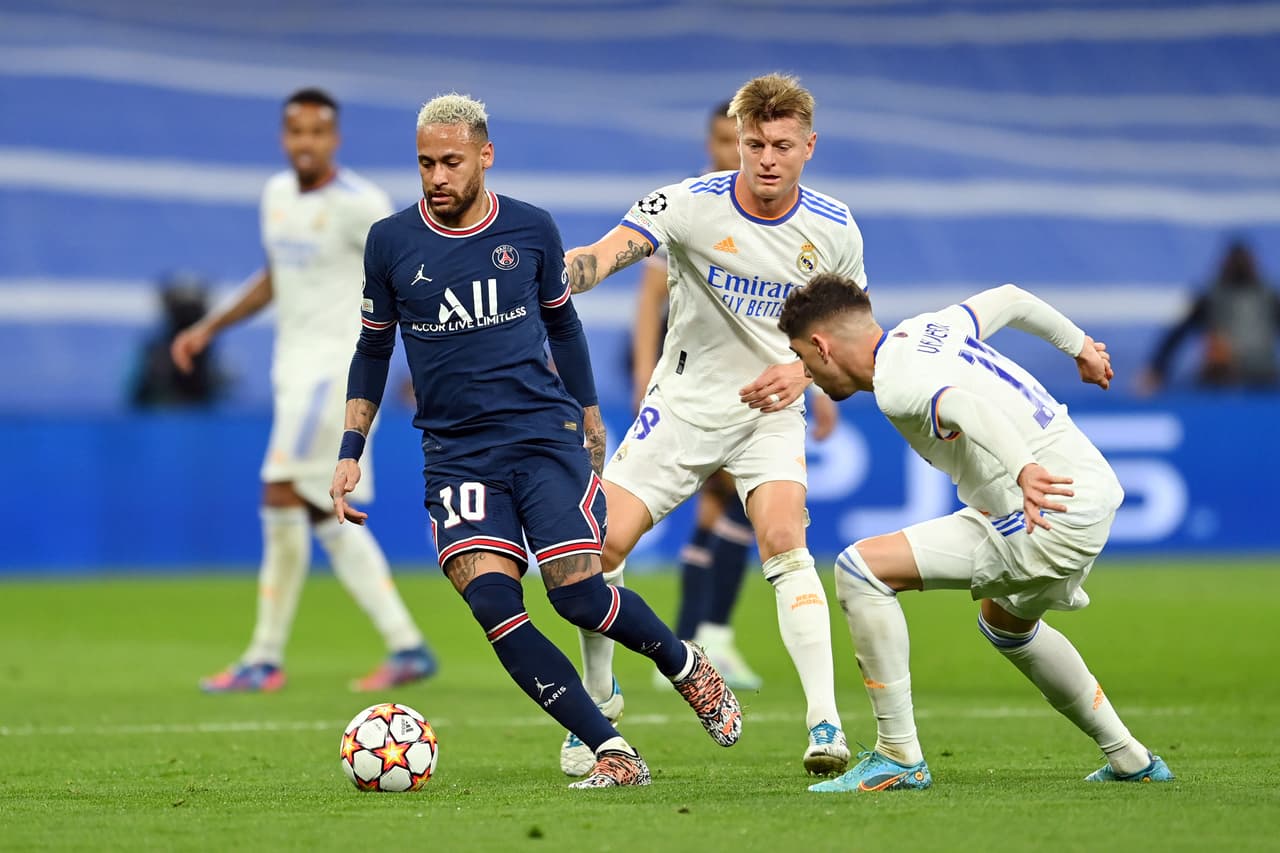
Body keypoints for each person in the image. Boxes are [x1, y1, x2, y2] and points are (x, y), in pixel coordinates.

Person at [329, 93, 741, 790]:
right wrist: (350, 447)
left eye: (452, 162)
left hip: (541, 436)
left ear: (484, 156)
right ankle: (612, 749)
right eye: (426, 162)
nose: (437, 176)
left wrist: (588, 413)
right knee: (493, 603)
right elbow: (373, 349)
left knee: (577, 597)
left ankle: (682, 662)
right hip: (455, 453)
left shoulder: (530, 229)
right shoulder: (390, 242)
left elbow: (564, 326)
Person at [563, 73, 861, 778]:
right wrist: (565, 273)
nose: (764, 158)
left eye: (781, 145)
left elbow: (851, 339)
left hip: (769, 412)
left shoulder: (835, 228)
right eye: (753, 142)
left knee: (786, 541)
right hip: (685, 405)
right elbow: (609, 253)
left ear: (809, 146)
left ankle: (826, 721)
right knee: (596, 548)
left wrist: (806, 373)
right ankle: (599, 707)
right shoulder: (689, 204)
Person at [776, 275, 1175, 792]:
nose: (805, 373)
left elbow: (968, 408)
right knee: (1006, 626)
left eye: (802, 358)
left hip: (1045, 506)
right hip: (1090, 489)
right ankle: (1130, 758)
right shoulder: (930, 329)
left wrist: (1024, 469)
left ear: (821, 346)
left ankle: (898, 756)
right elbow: (1010, 298)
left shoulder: (897, 385)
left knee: (860, 570)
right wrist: (1080, 347)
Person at [171, 87, 436, 693]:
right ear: (284, 137)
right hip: (292, 372)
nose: (306, 143)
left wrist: (419, 365)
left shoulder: (361, 203)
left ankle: (264, 657)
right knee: (325, 513)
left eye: (318, 132)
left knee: (280, 493)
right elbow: (275, 277)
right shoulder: (276, 196)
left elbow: (410, 275)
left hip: (334, 372)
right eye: (296, 132)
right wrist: (210, 327)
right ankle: (408, 646)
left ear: (334, 139)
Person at [628, 100, 840, 698]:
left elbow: (822, 316)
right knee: (730, 505)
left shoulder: (813, 225)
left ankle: (698, 636)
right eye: (732, 142)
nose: (743, 154)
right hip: (694, 371)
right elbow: (649, 296)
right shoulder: (695, 204)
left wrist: (818, 385)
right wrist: (646, 372)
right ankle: (701, 636)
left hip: (764, 373)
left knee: (724, 512)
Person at [1137, 239, 1280, 394]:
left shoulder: (1269, 297)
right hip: (1223, 376)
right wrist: (1157, 369)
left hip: (1263, 377)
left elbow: (1177, 334)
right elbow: (1178, 333)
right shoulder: (1212, 296)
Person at [131, 271, 221, 408]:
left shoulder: (220, 367)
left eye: (193, 310)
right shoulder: (148, 359)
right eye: (180, 310)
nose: (186, 318)